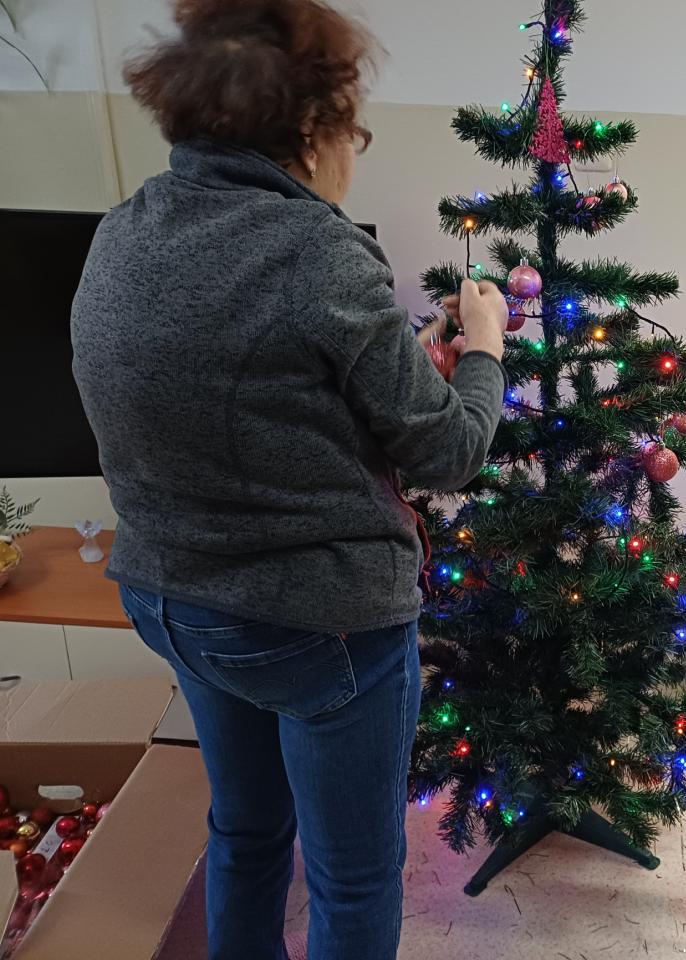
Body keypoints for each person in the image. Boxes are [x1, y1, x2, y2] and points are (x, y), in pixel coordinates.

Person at [70, 2, 507, 959]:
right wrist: (483, 349)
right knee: (353, 878)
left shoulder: (123, 230)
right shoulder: (317, 251)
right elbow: (448, 454)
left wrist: (394, 368)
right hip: (314, 627)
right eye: (353, 132)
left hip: (173, 600)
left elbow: (254, 403)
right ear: (312, 130)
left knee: (245, 829)